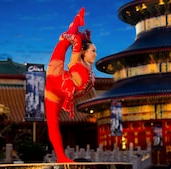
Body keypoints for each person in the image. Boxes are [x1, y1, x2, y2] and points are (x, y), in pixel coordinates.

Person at [44, 7, 97, 163]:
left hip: (58, 91)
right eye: (93, 51)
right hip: (56, 77)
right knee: (62, 45)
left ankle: (61, 157)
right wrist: (77, 38)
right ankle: (75, 22)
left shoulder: (88, 67)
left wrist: (84, 37)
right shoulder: (76, 62)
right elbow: (73, 45)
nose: (95, 54)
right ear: (84, 53)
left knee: (53, 123)